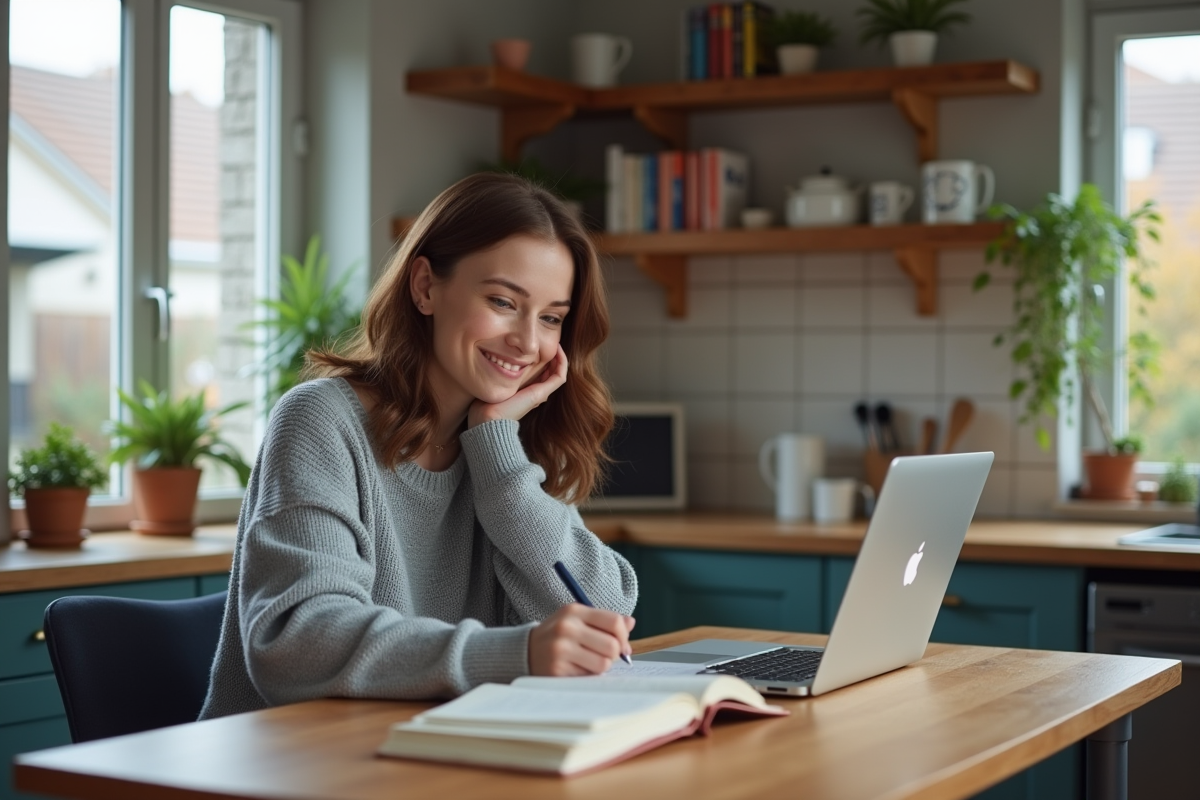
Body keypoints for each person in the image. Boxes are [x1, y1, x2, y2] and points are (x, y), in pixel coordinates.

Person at [199, 173, 638, 720]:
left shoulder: (510, 441)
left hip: (434, 754)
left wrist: (498, 454)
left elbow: (604, 613)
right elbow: (296, 643)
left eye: (551, 317)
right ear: (426, 286)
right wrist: (511, 654)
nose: (528, 342)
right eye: (503, 301)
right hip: (289, 768)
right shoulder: (321, 422)